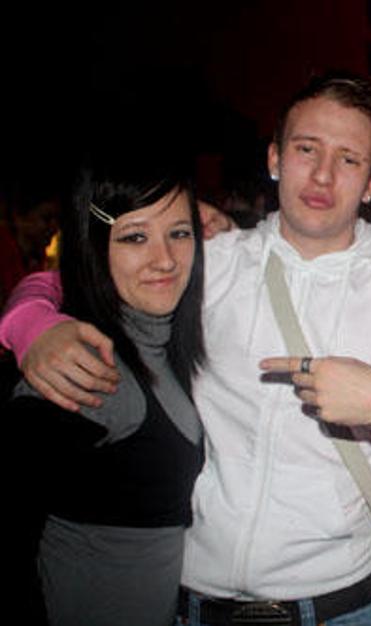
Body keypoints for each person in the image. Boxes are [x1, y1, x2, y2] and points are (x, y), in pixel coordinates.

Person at [1, 73, 371, 626]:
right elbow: (86, 273)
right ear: (275, 158)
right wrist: (31, 324)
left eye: (348, 159)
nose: (323, 175)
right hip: (194, 602)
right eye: (306, 149)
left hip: (339, 607)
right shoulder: (212, 261)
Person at [5, 148, 206, 625]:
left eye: (179, 233)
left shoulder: (165, 346)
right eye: (135, 236)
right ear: (93, 245)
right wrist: (25, 323)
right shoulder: (86, 371)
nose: (165, 259)